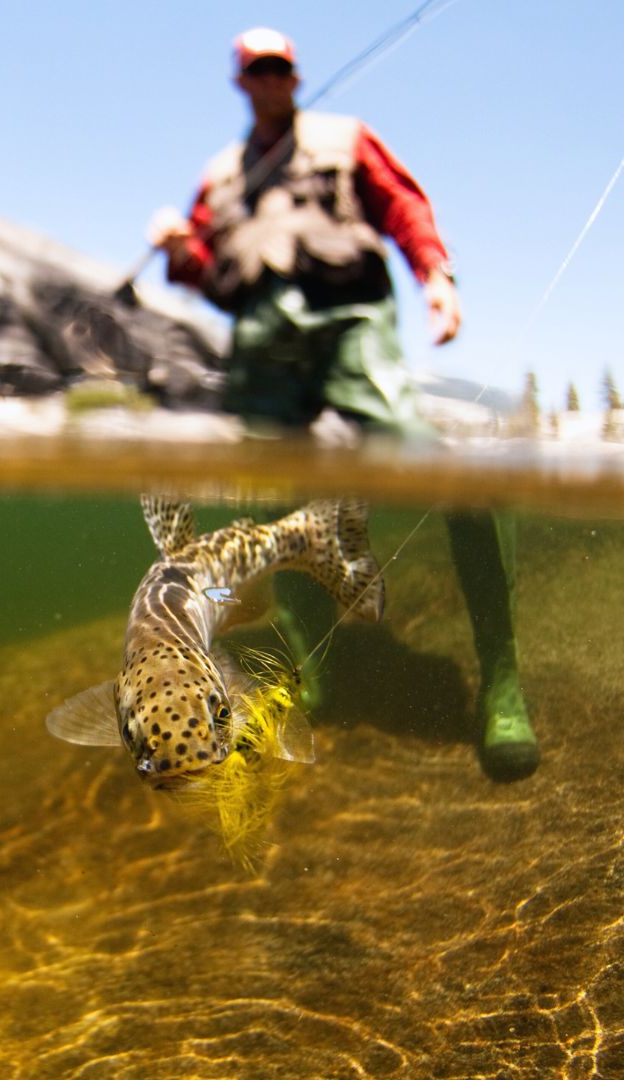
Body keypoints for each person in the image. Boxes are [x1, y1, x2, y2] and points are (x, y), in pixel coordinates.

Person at [148, 27, 538, 780]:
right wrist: (174, 250)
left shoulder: (346, 138)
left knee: (450, 477)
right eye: (256, 72)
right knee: (275, 494)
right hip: (264, 350)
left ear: (294, 76)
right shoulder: (221, 175)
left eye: (280, 70)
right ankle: (312, 670)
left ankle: (503, 680)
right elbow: (208, 272)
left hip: (351, 326)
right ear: (242, 82)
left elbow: (401, 205)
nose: (270, 82)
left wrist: (436, 276)